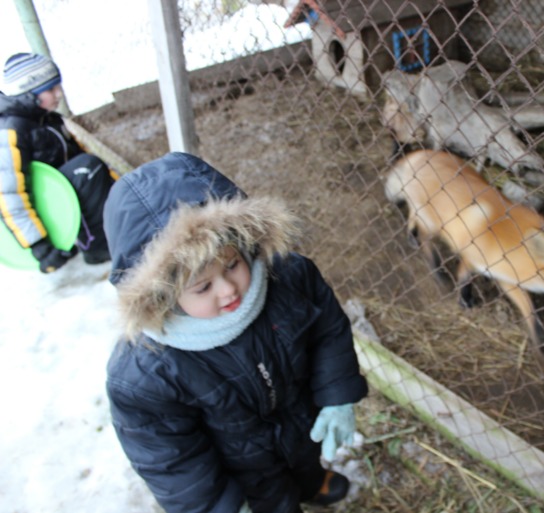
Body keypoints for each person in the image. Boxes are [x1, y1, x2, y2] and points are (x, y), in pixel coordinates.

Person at [103, 152, 368, 513]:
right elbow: (173, 462)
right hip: (243, 475)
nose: (228, 289)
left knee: (306, 455)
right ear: (163, 296)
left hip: (298, 420)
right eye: (202, 287)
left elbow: (328, 330)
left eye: (232, 265)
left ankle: (310, 482)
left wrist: (336, 394)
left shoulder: (286, 278)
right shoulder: (147, 373)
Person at [0, 52, 116, 272]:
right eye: (51, 89)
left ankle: (117, 227)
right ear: (29, 93)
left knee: (89, 166)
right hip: (44, 213)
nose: (59, 94)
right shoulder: (10, 131)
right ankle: (96, 246)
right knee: (86, 169)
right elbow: (8, 194)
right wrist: (39, 247)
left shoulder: (48, 119)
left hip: (65, 202)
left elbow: (80, 156)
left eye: (58, 86)